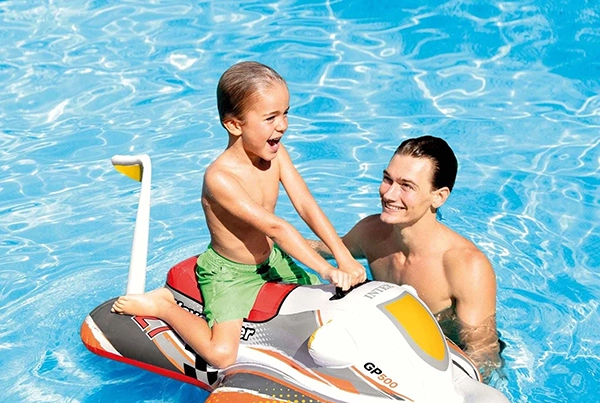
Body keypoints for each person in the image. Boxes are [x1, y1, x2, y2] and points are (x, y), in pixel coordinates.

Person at [112, 61, 366, 368]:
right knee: (222, 355)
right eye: (271, 117)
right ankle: (163, 305)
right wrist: (327, 270)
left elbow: (306, 205)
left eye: (286, 113)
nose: (282, 125)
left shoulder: (276, 154)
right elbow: (275, 227)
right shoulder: (219, 178)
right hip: (229, 274)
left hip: (271, 262)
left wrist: (343, 256)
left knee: (327, 302)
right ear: (235, 125)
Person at [309, 135, 503, 379]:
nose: (389, 195)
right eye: (387, 179)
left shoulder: (465, 266)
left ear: (439, 197)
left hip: (443, 360)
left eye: (406, 186)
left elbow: (483, 354)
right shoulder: (371, 232)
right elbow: (324, 249)